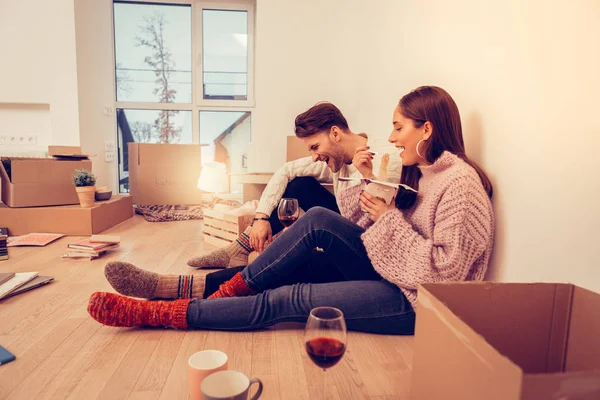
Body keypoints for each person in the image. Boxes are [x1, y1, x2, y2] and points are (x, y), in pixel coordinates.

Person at [88, 86, 494, 335]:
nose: (391, 136)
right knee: (312, 228)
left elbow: (447, 275)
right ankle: (188, 287)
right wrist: (368, 182)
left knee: (287, 299)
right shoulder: (416, 171)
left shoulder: (459, 185)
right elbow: (362, 225)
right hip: (388, 269)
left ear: (427, 129)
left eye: (399, 126)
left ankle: (163, 313)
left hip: (416, 303)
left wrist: (386, 216)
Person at [187, 102, 402, 269]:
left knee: (307, 230)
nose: (314, 157)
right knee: (300, 184)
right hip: (342, 222)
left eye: (315, 147)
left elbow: (379, 224)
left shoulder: (385, 158)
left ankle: (243, 260)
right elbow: (287, 170)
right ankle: (240, 248)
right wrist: (261, 217)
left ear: (336, 134)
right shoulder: (334, 159)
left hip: (362, 242)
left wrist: (368, 175)